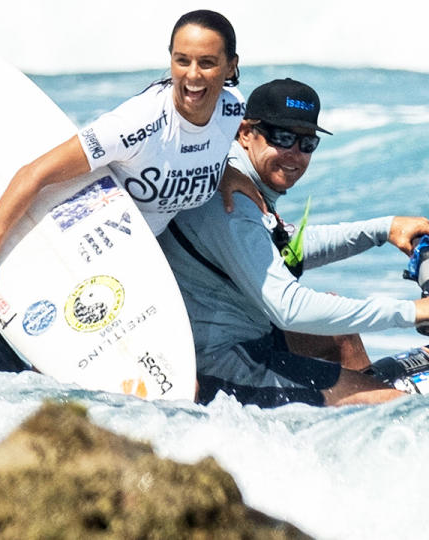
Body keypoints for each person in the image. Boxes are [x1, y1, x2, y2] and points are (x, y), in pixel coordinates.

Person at [157, 77, 429, 407]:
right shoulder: (233, 205)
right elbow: (289, 308)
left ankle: (346, 415)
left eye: (307, 143)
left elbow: (282, 249)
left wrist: (382, 229)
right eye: (282, 137)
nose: (294, 154)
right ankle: (364, 405)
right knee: (394, 404)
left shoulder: (237, 179)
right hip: (221, 363)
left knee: (339, 336)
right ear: (245, 133)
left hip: (252, 336)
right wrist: (411, 311)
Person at [0, 9, 252, 311]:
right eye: (182, 60)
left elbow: (201, 145)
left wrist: (222, 171)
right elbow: (34, 174)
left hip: (147, 257)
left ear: (231, 66)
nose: (192, 74)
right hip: (85, 248)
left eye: (207, 63)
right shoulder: (138, 124)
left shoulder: (232, 108)